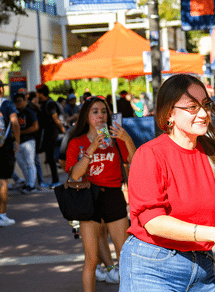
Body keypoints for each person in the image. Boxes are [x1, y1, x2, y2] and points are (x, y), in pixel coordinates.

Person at [119, 74, 215, 291]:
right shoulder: (150, 154)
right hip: (152, 266)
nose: (204, 114)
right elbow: (153, 221)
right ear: (169, 114)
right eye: (192, 107)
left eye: (206, 105)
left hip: (202, 266)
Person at [65, 95, 136, 292]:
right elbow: (75, 174)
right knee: (92, 258)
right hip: (88, 198)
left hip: (113, 195)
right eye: (95, 112)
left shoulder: (116, 137)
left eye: (104, 111)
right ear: (86, 116)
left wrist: (126, 138)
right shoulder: (76, 142)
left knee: (124, 254)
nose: (100, 116)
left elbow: (136, 161)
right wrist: (92, 147)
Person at [36, 84, 66, 188]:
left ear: (41, 93)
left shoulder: (50, 103)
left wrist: (62, 129)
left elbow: (55, 117)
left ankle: (56, 180)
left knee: (50, 157)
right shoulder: (43, 103)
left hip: (51, 132)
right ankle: (54, 180)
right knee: (49, 157)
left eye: (38, 93)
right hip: (46, 133)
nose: (36, 95)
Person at [0, 79, 20, 226]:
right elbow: (14, 122)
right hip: (3, 147)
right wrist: (17, 140)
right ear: (1, 89)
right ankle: (2, 216)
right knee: (3, 181)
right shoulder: (6, 104)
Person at [12, 93, 39, 193]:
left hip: (28, 141)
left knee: (30, 163)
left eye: (20, 101)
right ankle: (28, 184)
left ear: (25, 101)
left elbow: (35, 127)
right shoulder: (13, 113)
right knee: (22, 164)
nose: (18, 104)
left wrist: (19, 132)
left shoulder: (29, 112)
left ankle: (31, 185)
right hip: (17, 142)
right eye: (16, 102)